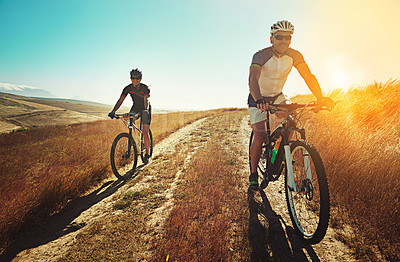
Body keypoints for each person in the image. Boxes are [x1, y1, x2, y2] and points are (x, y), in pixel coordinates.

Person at [248, 20, 334, 191]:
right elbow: (253, 78)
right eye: (279, 37)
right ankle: (253, 175)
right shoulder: (261, 55)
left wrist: (320, 97)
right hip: (258, 97)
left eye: (288, 38)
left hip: (278, 96)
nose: (284, 41)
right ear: (271, 39)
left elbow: (308, 76)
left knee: (292, 123)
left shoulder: (295, 55)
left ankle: (284, 152)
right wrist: (259, 100)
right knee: (259, 134)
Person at [108, 68, 152, 164]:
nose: (135, 80)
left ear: (141, 78)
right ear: (130, 78)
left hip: (145, 109)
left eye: (137, 78)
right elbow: (120, 100)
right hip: (135, 107)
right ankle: (135, 140)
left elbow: (146, 100)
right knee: (130, 121)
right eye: (133, 78)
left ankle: (147, 154)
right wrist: (113, 111)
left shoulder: (145, 88)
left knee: (145, 131)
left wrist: (145, 110)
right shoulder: (128, 88)